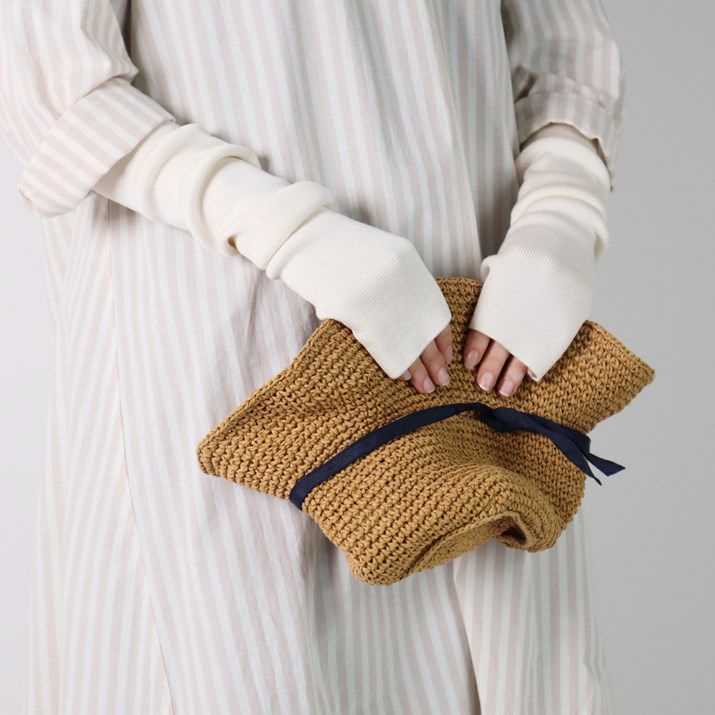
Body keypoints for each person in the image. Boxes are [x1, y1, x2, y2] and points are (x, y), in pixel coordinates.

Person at [0, 1, 622, 712]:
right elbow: (56, 82)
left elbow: (567, 47)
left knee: (506, 668)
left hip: (483, 358)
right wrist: (292, 232)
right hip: (236, 359)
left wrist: (559, 221)